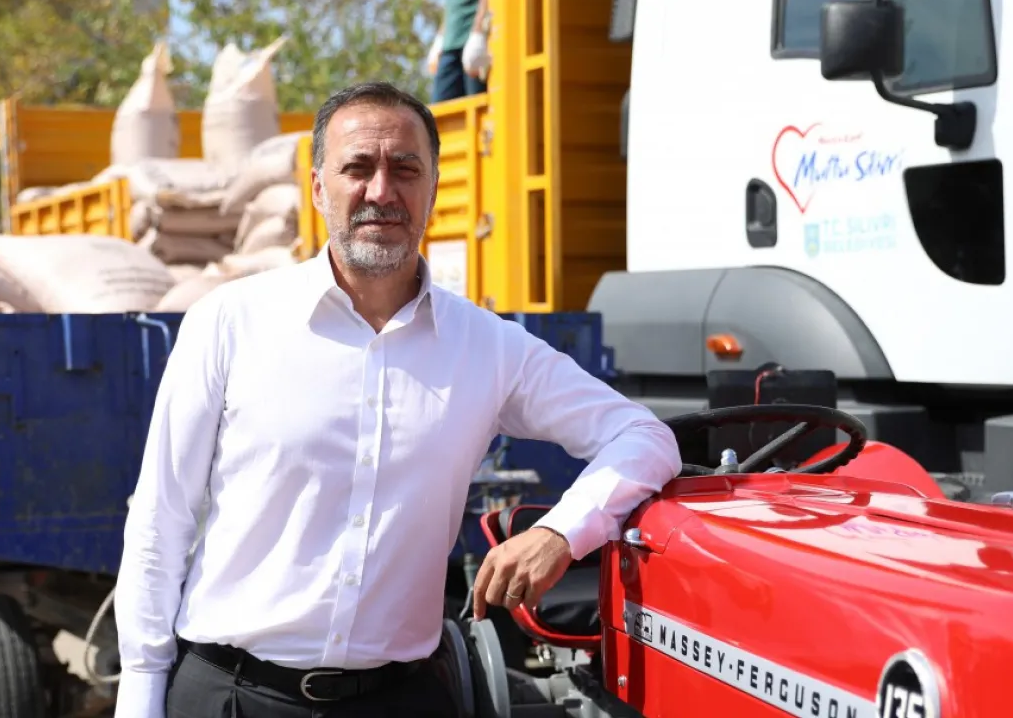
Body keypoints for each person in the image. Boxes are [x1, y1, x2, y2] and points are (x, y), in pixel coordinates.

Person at [113, 81, 681, 718]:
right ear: (318, 188)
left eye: (405, 170)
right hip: (231, 697)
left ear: (432, 191)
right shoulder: (229, 322)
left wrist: (559, 532)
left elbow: (644, 437)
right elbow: (161, 519)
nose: (381, 191)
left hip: (402, 698)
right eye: (357, 168)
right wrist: (141, 693)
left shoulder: (489, 347)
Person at [428, 0, 491, 102]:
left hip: (473, 43)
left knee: (477, 102)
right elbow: (450, 6)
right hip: (449, 47)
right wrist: (440, 38)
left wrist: (478, 32)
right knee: (439, 106)